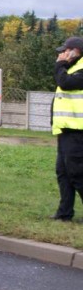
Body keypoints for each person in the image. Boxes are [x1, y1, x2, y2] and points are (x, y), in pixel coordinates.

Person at [50, 36, 83, 221]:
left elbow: (66, 83)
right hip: (65, 131)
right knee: (63, 173)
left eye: (64, 50)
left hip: (78, 133)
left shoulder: (80, 70)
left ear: (75, 51)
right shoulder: (70, 68)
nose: (61, 54)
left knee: (77, 174)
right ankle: (64, 213)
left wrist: (60, 65)